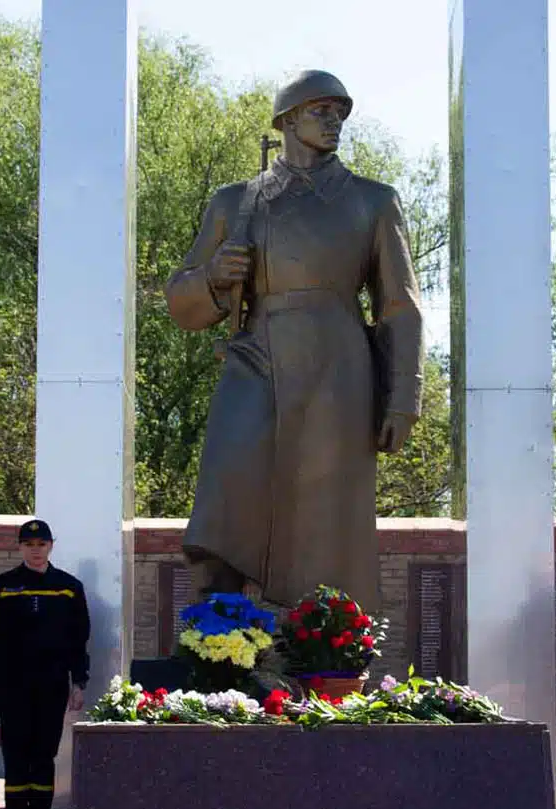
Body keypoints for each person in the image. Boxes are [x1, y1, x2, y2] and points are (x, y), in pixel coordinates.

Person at [164, 69, 425, 608]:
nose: (334, 123)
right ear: (286, 120)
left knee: (326, 517)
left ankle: (325, 648)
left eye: (340, 113)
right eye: (320, 111)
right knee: (223, 494)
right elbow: (181, 304)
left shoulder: (373, 201)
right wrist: (214, 275)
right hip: (254, 355)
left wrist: (404, 397)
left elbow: (399, 305)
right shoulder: (235, 201)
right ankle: (217, 643)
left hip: (338, 367)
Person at [0, 519, 90, 809]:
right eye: (29, 544)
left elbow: (78, 639)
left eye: (41, 544)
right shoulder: (3, 586)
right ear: (20, 547)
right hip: (13, 686)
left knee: (43, 760)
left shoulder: (68, 587)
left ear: (51, 546)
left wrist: (79, 681)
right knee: (15, 761)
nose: (36, 549)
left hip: (52, 685)